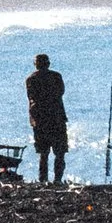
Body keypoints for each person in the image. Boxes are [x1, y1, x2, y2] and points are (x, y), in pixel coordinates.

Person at [24, 52, 69, 183]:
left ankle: (43, 180)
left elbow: (32, 98)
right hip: (57, 119)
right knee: (59, 153)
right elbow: (60, 92)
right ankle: (58, 180)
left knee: (44, 154)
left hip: (40, 120)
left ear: (35, 65)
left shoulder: (31, 79)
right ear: (48, 64)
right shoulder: (56, 77)